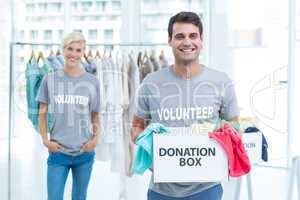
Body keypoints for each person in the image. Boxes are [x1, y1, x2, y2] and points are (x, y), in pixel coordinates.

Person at [131, 11, 239, 200]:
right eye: (180, 36)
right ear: (170, 40)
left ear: (201, 39)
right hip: (161, 189)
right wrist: (150, 152)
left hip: (207, 188)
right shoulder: (150, 83)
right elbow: (136, 126)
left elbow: (235, 127)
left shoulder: (221, 82)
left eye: (193, 36)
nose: (187, 42)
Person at [36, 32, 100, 200]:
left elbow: (95, 115)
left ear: (83, 52)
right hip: (58, 153)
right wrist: (45, 140)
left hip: (84, 153)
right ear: (63, 50)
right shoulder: (49, 79)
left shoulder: (92, 81)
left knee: (80, 197)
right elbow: (42, 113)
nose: (73, 54)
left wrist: (95, 139)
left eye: (78, 50)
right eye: (70, 49)